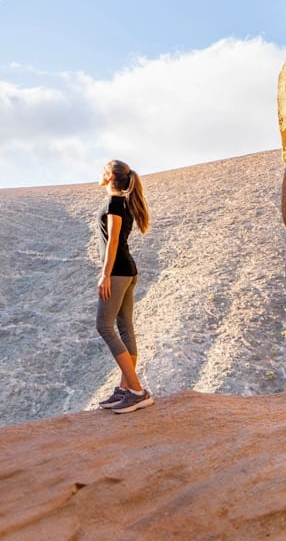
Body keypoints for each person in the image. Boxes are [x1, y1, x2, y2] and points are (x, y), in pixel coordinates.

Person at [95, 159, 154, 414]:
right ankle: (126, 389)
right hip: (127, 271)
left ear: (110, 177)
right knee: (125, 328)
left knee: (104, 326)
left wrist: (105, 275)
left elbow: (113, 241)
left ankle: (137, 391)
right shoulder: (123, 202)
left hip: (117, 272)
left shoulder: (114, 202)